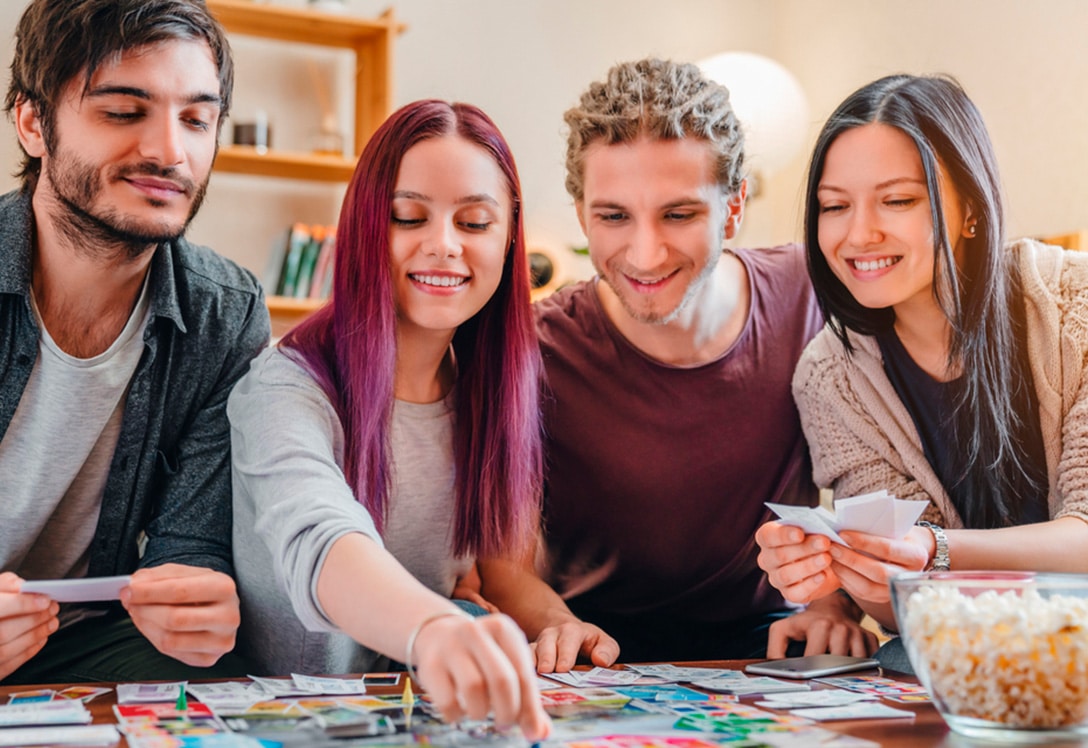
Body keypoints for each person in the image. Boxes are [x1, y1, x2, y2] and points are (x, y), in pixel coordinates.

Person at [229, 99, 614, 739]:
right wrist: (435, 627)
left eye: (475, 222)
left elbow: (500, 565)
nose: (443, 245)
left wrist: (557, 626)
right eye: (408, 217)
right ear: (363, 231)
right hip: (291, 725)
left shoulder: (491, 391)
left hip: (422, 722)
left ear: (510, 237)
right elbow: (323, 540)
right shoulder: (283, 386)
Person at [533, 58, 877, 662]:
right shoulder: (536, 347)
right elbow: (500, 563)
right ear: (582, 211)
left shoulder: (811, 293)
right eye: (613, 216)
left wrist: (832, 601)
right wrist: (553, 624)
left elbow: (873, 478)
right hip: (591, 654)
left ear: (734, 206)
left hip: (772, 644)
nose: (644, 253)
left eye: (679, 213)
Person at [755, 74, 1088, 637]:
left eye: (898, 200)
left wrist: (928, 548)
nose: (858, 234)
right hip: (967, 669)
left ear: (970, 209)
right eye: (834, 206)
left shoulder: (1072, 305)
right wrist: (849, 568)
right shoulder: (832, 374)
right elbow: (904, 605)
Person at [0, 0, 270, 684]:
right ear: (34, 123)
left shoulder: (226, 314)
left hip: (90, 641)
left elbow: (192, 545)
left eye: (197, 119)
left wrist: (194, 602)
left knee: (222, 671)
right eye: (124, 112)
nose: (168, 152)